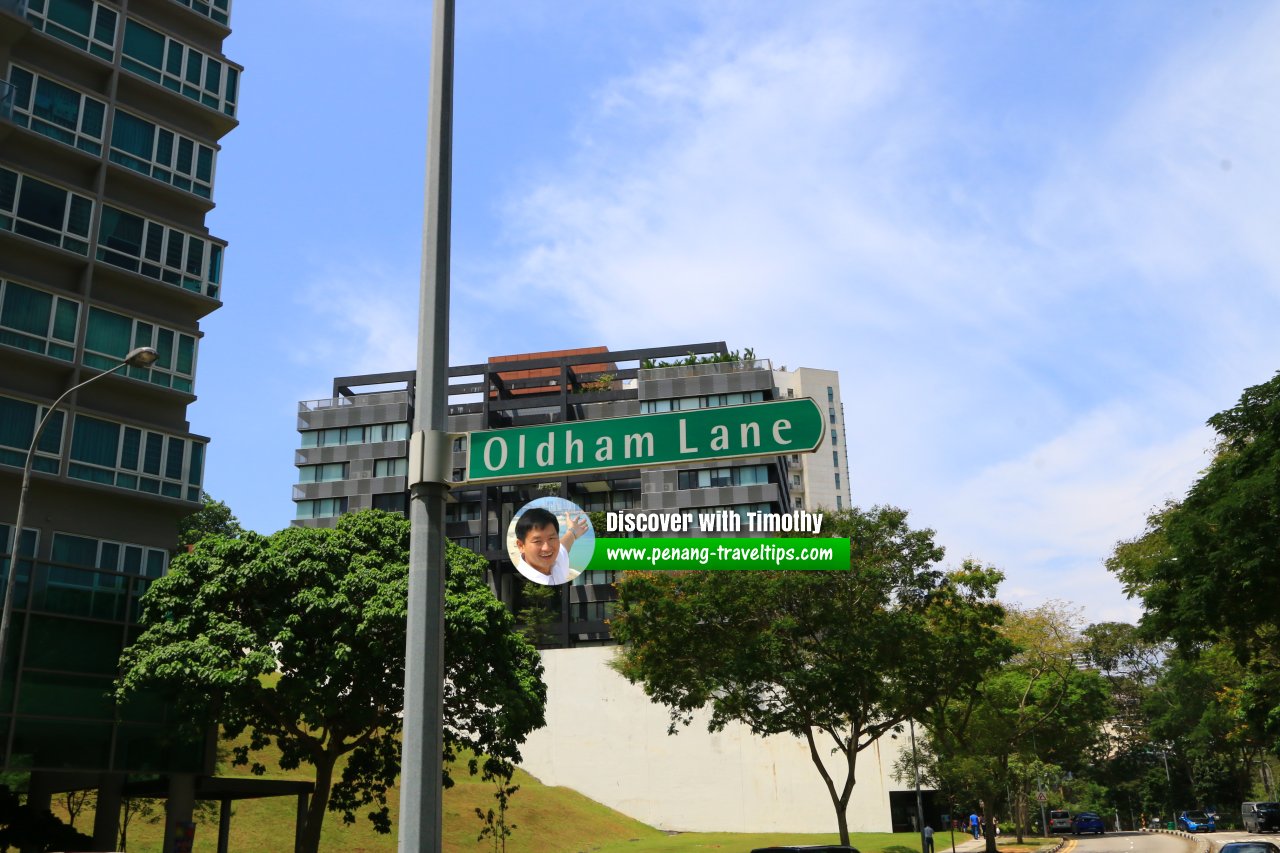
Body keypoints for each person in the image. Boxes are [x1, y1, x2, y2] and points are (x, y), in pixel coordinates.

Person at [514, 507, 589, 585]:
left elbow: (564, 546)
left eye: (551, 538)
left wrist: (572, 531)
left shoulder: (556, 561)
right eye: (537, 541)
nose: (547, 548)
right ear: (521, 546)